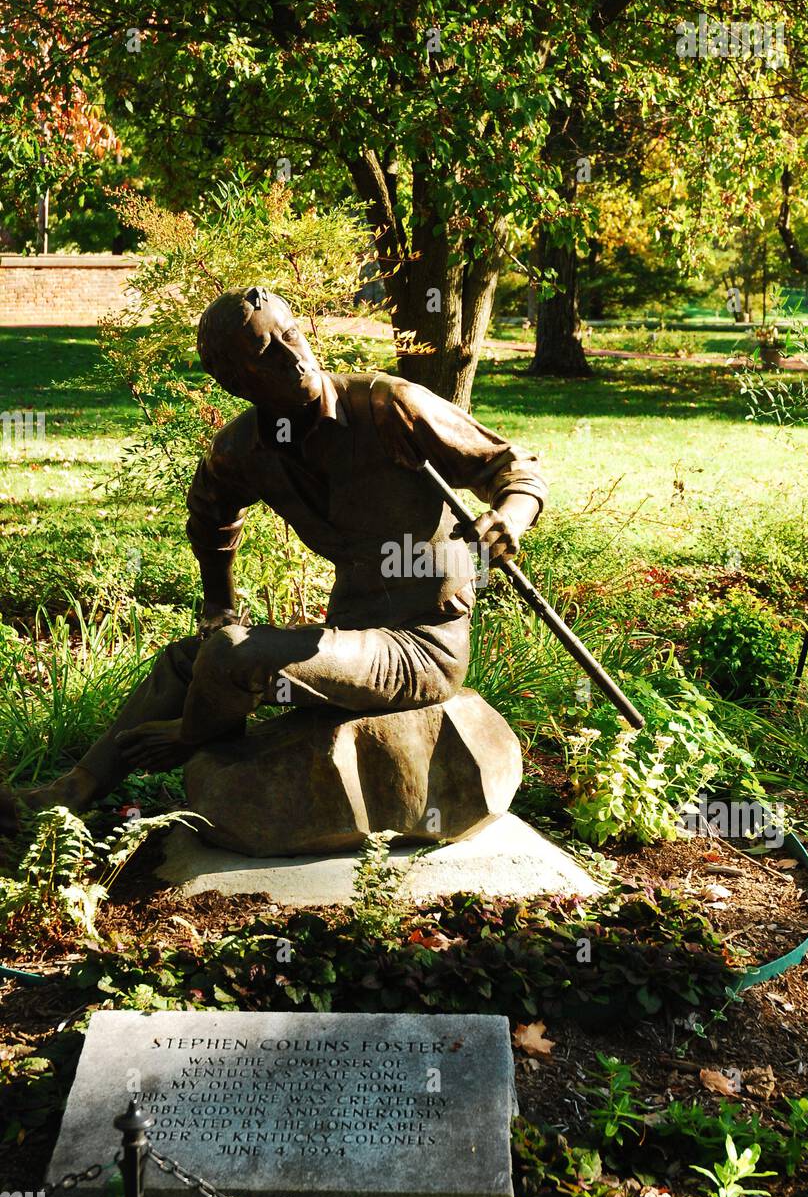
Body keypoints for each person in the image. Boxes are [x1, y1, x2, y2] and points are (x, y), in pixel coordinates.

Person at [0, 286, 546, 834]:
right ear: (237, 382)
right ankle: (69, 793)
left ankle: (196, 736)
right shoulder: (244, 448)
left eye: (292, 334)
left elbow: (512, 466)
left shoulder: (387, 406)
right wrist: (219, 605)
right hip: (352, 631)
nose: (293, 356)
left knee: (237, 655)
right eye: (267, 353)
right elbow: (211, 516)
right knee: (186, 661)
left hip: (419, 647)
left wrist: (510, 517)